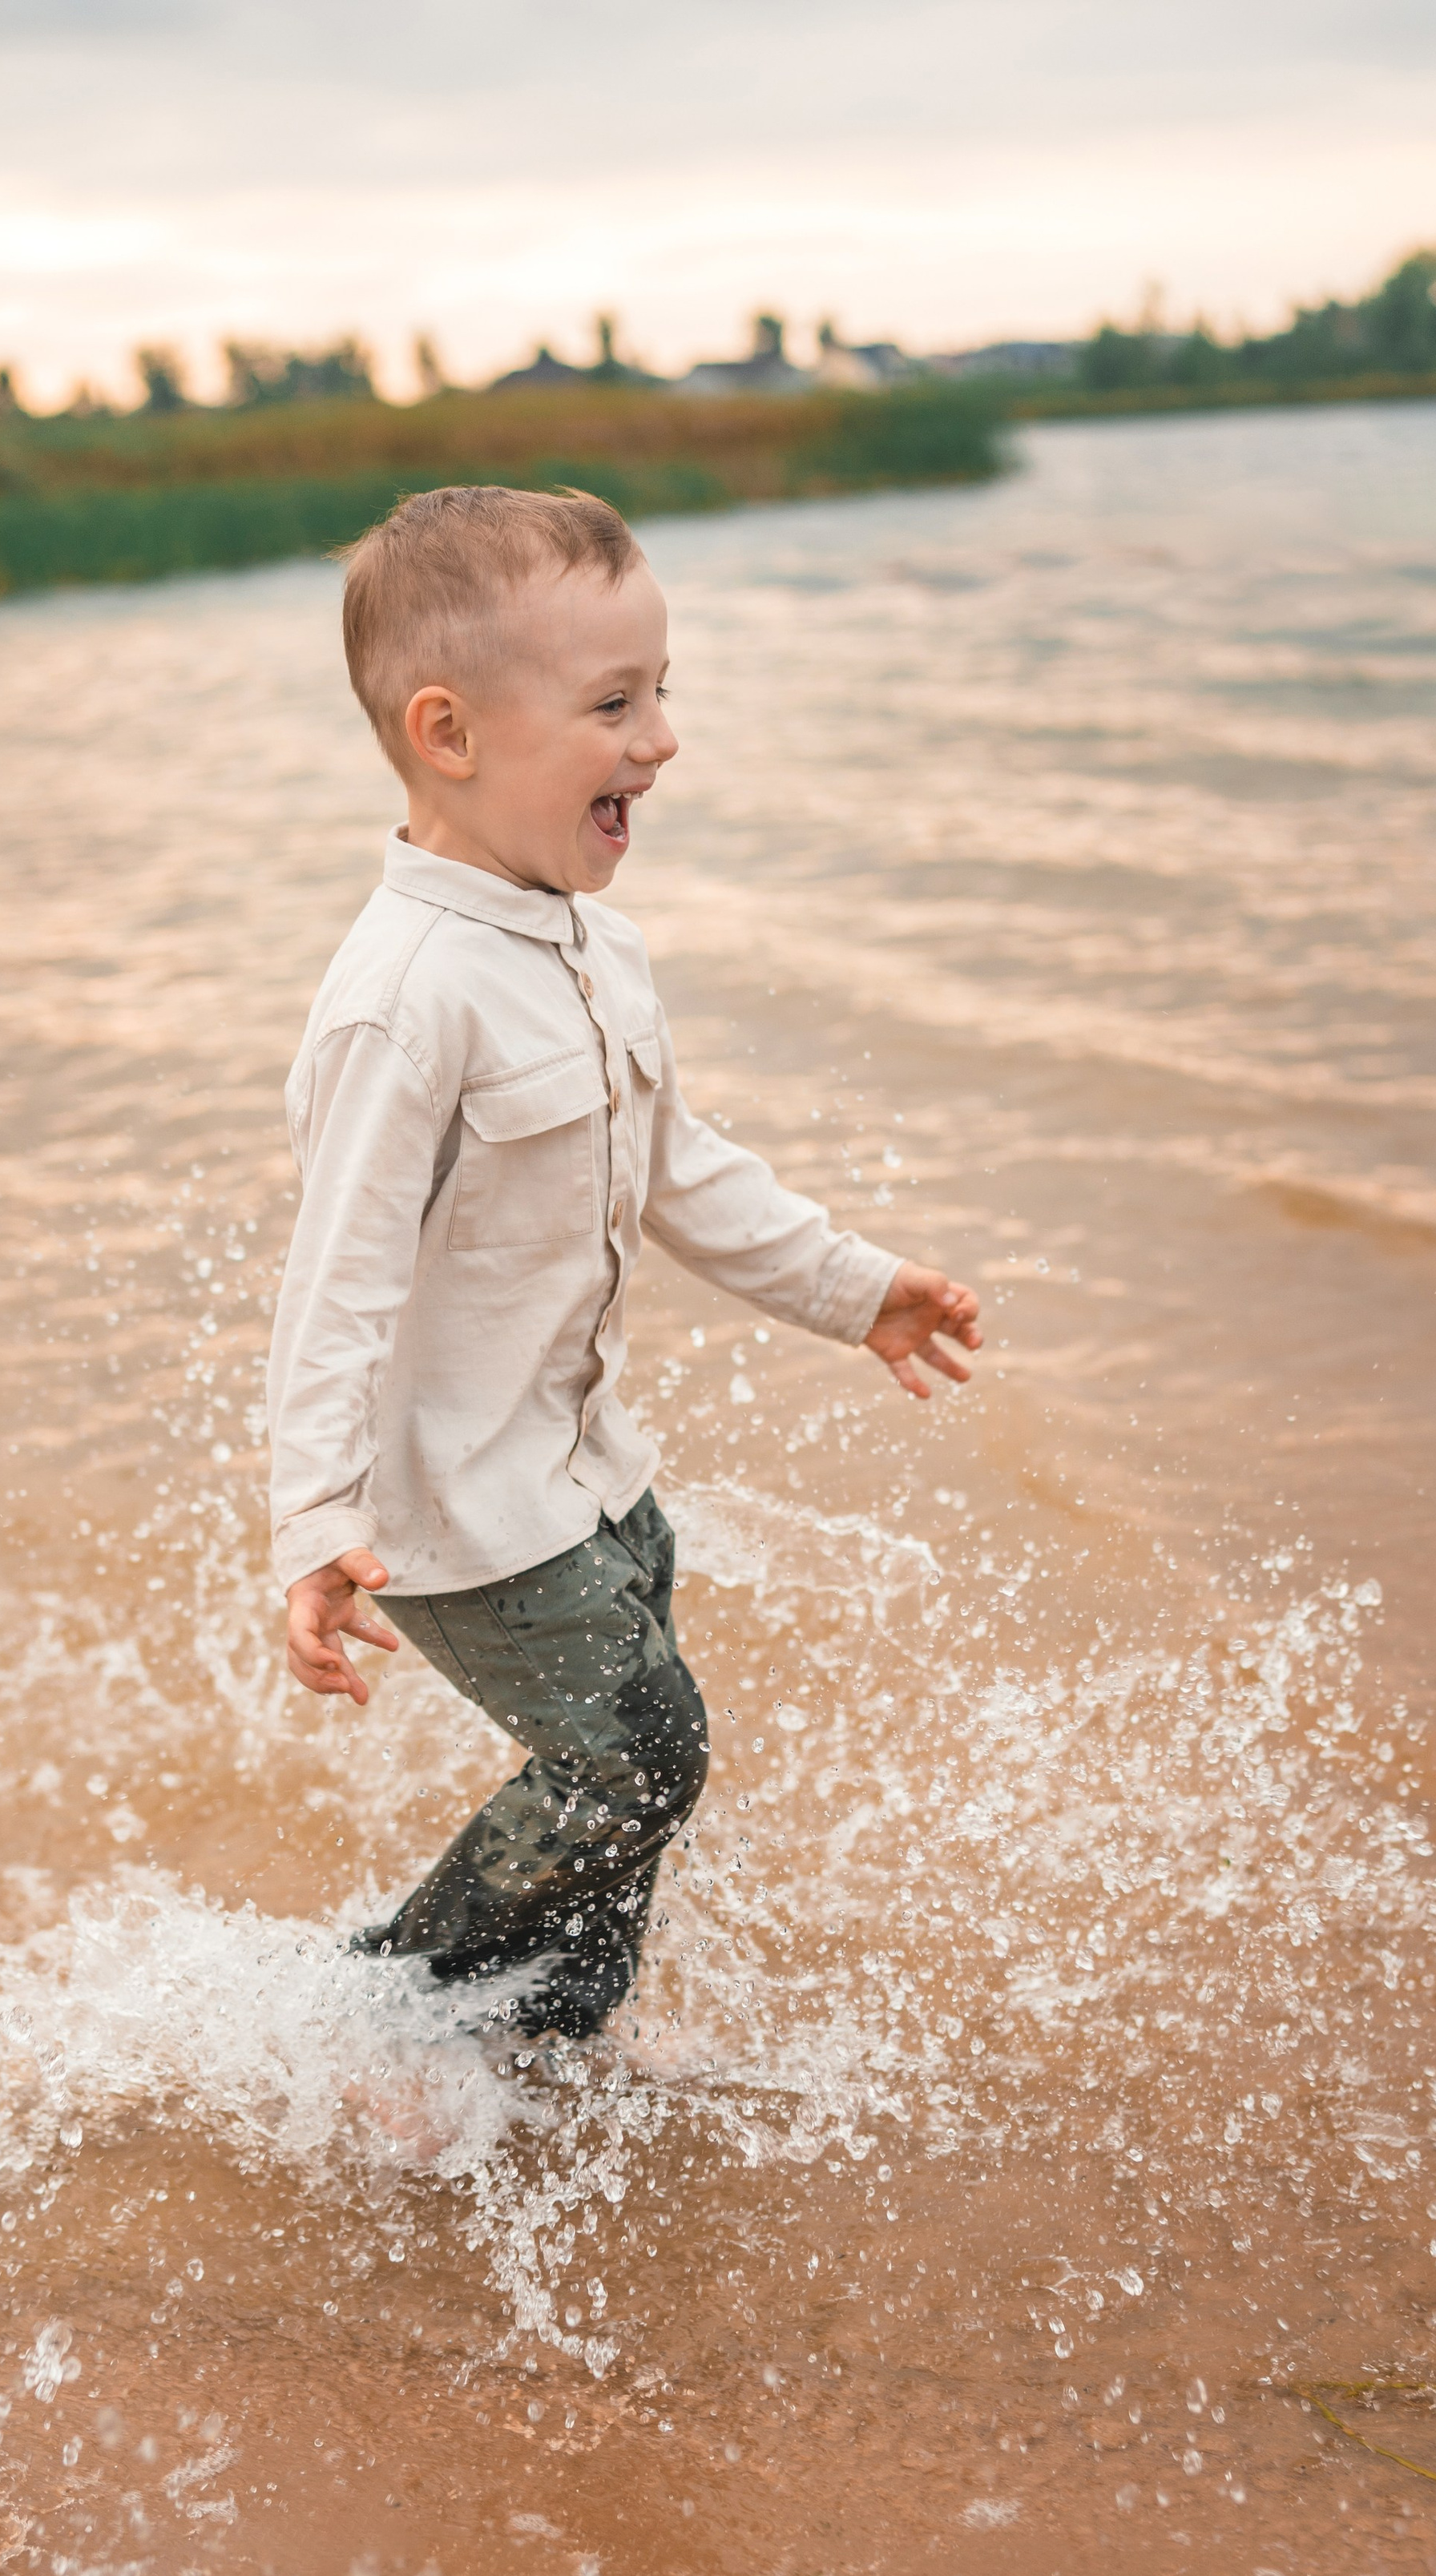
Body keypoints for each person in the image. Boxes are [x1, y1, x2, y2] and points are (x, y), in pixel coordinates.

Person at [265, 486, 980, 2044]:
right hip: (455, 1508)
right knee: (641, 1755)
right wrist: (312, 1519)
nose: (658, 739)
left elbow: (675, 1169)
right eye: (612, 703)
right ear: (447, 735)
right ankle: (382, 2009)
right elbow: (337, 1280)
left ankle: (547, 2038)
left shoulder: (595, 945)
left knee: (622, 1759)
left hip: (583, 1473)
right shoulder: (405, 1000)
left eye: (661, 691)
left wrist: (852, 1288)